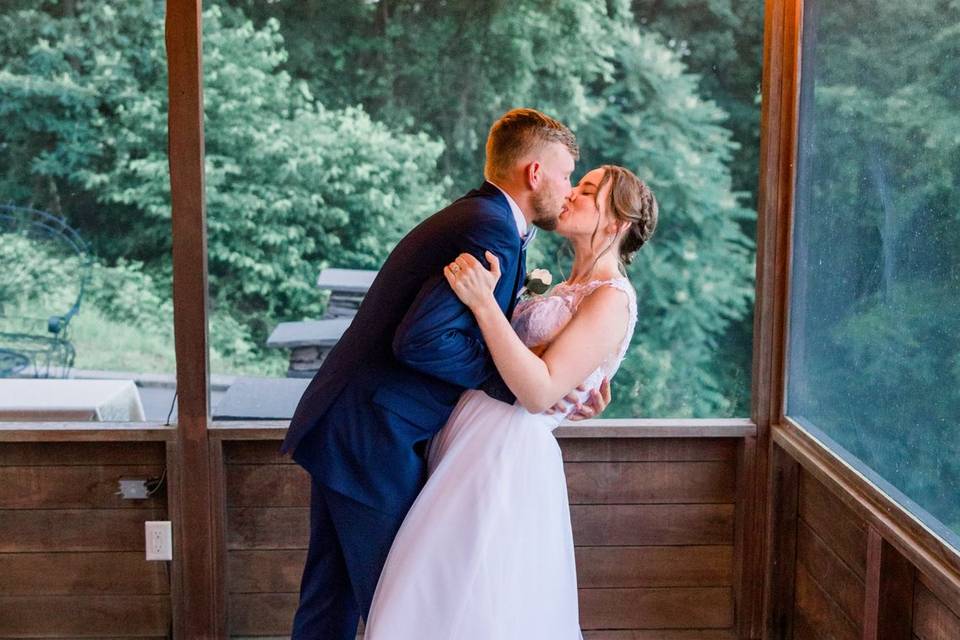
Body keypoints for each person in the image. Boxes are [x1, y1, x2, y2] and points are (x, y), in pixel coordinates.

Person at [280, 108, 610, 640]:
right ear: (534, 173)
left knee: (331, 601)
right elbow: (422, 340)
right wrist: (513, 386)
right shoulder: (490, 227)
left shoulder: (485, 218)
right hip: (375, 436)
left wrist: (561, 384)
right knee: (403, 607)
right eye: (567, 174)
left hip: (353, 424)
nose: (567, 188)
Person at [364, 164, 659, 639]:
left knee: (476, 604)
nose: (570, 194)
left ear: (617, 222)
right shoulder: (563, 286)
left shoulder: (612, 299)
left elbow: (539, 390)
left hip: (507, 455)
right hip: (469, 436)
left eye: (587, 190)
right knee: (435, 595)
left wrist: (483, 304)